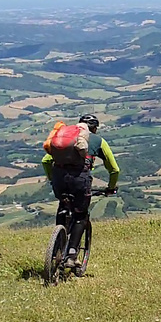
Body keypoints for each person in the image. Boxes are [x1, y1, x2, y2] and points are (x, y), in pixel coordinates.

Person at [42, 114, 120, 272]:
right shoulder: (98, 141)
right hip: (79, 180)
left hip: (59, 179)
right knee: (80, 216)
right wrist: (111, 187)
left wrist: (52, 178)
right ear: (94, 128)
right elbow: (114, 169)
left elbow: (46, 161)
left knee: (63, 204)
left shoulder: (66, 138)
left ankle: (58, 240)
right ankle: (71, 255)